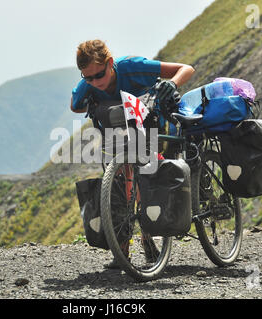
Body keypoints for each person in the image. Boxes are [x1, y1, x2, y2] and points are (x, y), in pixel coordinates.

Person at [70, 39, 195, 269]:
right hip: (116, 129)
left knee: (145, 178)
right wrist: (90, 101)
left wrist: (173, 84)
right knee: (121, 185)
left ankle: (148, 236)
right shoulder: (87, 84)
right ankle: (123, 251)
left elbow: (185, 69)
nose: (95, 82)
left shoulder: (132, 66)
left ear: (110, 63)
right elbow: (74, 105)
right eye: (88, 78)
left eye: (99, 75)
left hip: (148, 124)